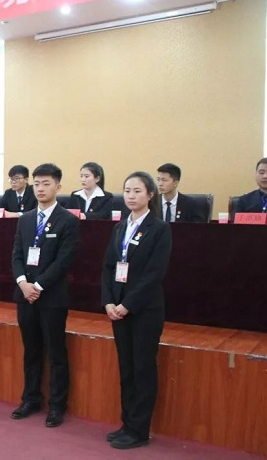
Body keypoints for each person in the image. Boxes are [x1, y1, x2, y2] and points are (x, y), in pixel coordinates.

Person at [101, 171, 172, 449]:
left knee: (142, 368)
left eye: (137, 191)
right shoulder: (120, 227)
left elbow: (154, 274)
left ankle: (139, 430)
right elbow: (108, 267)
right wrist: (109, 301)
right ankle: (127, 423)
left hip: (144, 310)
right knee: (126, 368)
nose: (130, 196)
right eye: (127, 191)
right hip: (117, 308)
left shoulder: (159, 228)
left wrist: (127, 305)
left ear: (150, 195)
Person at [10, 163, 79, 428]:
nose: (40, 188)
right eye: (37, 184)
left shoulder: (68, 220)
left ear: (58, 186)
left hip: (51, 297)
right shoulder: (26, 219)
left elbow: (64, 261)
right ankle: (31, 399)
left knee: (55, 352)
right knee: (31, 350)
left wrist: (37, 286)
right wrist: (23, 284)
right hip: (25, 295)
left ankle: (57, 405)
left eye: (46, 184)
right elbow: (17, 254)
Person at [236, 157, 267, 224]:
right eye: (261, 172)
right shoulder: (244, 200)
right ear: (256, 175)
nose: (265, 176)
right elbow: (236, 227)